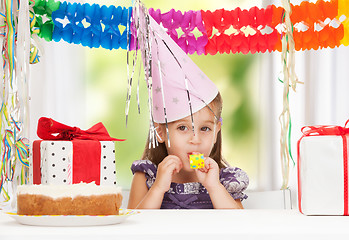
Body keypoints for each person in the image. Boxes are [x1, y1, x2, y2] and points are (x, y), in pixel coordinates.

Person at [127, 12, 249, 209]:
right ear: (160, 132)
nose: (195, 139)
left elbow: (239, 228)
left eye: (205, 129)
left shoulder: (224, 179)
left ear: (217, 130)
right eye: (183, 128)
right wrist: (158, 187)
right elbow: (133, 228)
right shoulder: (146, 176)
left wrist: (213, 186)